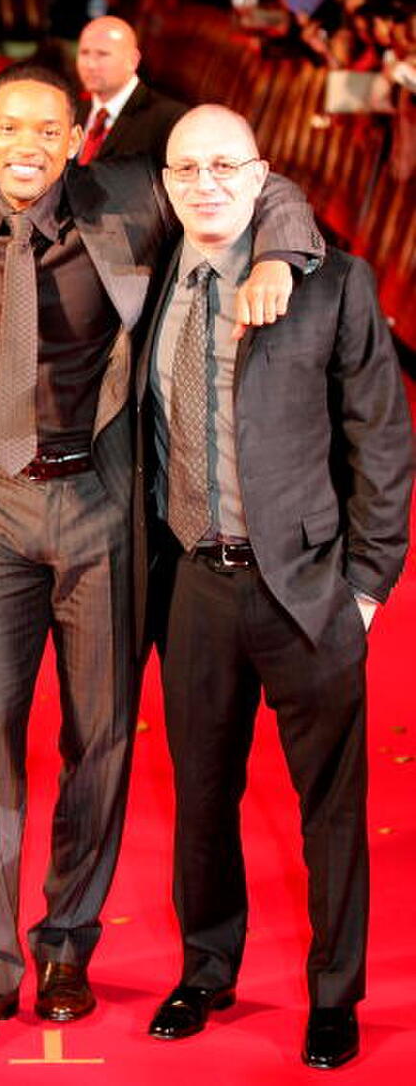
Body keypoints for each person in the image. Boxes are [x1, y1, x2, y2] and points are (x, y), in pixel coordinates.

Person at [0, 63, 324, 1049]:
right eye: (10, 128)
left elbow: (268, 181)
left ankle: (66, 944)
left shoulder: (127, 192)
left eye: (48, 130)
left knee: (100, 735)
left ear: (73, 138)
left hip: (99, 499)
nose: (28, 147)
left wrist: (281, 256)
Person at [134, 104, 412, 1069]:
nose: (205, 185)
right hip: (193, 584)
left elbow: (382, 440)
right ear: (164, 183)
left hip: (308, 588)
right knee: (203, 794)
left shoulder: (332, 285)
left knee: (329, 805)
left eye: (226, 167)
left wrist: (369, 584)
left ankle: (334, 993)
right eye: (186, 170)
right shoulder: (147, 274)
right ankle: (206, 967)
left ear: (262, 177)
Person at [75, 15, 186, 165]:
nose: (90, 64)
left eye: (102, 54)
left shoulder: (169, 120)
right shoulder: (71, 107)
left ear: (133, 60)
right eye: (84, 53)